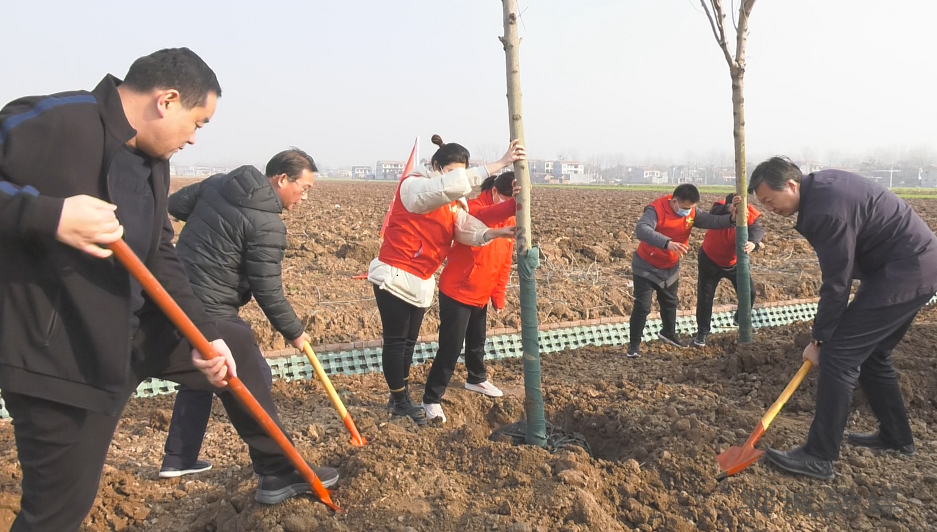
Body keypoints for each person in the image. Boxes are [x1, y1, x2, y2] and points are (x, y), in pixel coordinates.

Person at [0, 49, 335, 532]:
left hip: (134, 331)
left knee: (232, 343)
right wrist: (49, 215)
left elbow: (159, 253)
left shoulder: (153, 163)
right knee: (59, 510)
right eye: (197, 122)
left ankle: (278, 470)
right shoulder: (57, 121)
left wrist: (203, 333)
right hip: (61, 353)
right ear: (167, 101)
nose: (194, 138)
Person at [749, 157, 937, 480]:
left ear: (791, 185)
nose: (769, 208)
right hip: (913, 266)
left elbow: (837, 280)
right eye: (762, 203)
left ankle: (819, 456)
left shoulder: (825, 211)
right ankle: (896, 437)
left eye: (769, 200)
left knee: (839, 355)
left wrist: (820, 339)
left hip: (906, 270)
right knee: (873, 353)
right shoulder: (821, 191)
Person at [158, 149, 317, 478]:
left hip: (176, 293)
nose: (304, 197)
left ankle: (179, 458)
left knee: (205, 373)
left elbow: (174, 205)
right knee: (256, 376)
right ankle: (278, 469)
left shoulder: (218, 184)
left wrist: (210, 230)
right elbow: (268, 291)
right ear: (281, 179)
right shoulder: (268, 225)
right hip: (212, 308)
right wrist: (295, 332)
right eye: (303, 188)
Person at [368, 134, 524, 425]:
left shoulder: (453, 202)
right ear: (436, 167)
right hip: (395, 273)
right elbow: (445, 188)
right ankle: (399, 400)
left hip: (420, 279)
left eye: (460, 173)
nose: (455, 179)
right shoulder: (415, 186)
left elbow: (464, 229)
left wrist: (495, 233)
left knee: (409, 342)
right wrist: (500, 163)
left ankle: (400, 395)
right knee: (397, 342)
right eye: (451, 172)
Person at [420, 171, 519, 423]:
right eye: (507, 199)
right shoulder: (473, 208)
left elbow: (504, 262)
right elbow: (485, 217)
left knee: (477, 341)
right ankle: (431, 398)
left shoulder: (508, 219)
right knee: (451, 347)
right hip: (457, 291)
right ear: (494, 192)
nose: (509, 206)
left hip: (481, 293)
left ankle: (476, 378)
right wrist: (513, 205)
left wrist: (498, 295)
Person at [627, 183, 734, 358]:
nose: (688, 211)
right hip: (646, 265)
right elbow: (642, 229)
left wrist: (731, 220)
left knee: (670, 302)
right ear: (674, 201)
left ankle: (668, 333)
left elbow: (709, 220)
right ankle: (634, 346)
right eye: (685, 208)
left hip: (670, 266)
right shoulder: (656, 209)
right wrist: (667, 243)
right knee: (643, 306)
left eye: (691, 208)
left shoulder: (691, 212)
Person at [692, 193, 765, 347]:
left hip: (734, 263)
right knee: (706, 297)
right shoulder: (719, 209)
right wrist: (729, 208)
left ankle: (740, 319)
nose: (738, 211)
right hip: (710, 260)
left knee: (749, 292)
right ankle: (702, 333)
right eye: (734, 207)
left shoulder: (749, 213)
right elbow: (714, 212)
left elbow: (757, 229)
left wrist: (754, 242)